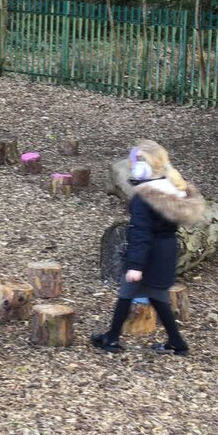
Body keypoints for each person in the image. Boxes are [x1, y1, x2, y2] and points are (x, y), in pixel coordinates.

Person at [91, 139, 205, 356]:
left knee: (127, 294)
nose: (132, 168)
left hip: (147, 257)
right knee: (157, 298)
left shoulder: (145, 198)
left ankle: (112, 339)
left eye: (135, 164)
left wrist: (135, 265)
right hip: (165, 253)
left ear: (144, 168)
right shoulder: (171, 191)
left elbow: (141, 233)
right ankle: (176, 343)